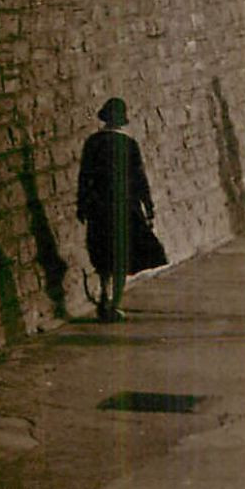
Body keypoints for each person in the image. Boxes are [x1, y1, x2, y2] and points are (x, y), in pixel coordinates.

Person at [76, 97, 165, 322]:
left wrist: (82, 205)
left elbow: (84, 177)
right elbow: (139, 179)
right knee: (122, 256)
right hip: (125, 206)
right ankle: (114, 304)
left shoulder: (92, 142)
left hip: (99, 206)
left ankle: (104, 295)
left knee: (102, 252)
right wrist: (149, 206)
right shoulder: (129, 144)